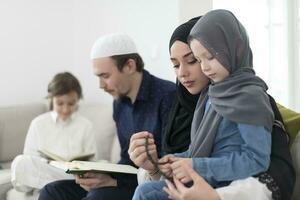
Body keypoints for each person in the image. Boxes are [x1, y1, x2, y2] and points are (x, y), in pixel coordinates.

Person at [132, 9, 283, 200]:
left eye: (205, 58)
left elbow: (256, 160)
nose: (204, 67)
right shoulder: (211, 94)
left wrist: (194, 166)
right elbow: (199, 148)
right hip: (205, 175)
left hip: (223, 183)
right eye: (199, 59)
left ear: (233, 49)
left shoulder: (250, 97)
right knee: (145, 191)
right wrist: (173, 161)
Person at [38, 33, 176, 200]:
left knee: (97, 197)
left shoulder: (168, 96)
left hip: (151, 185)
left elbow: (170, 164)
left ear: (129, 66)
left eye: (105, 76)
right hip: (125, 181)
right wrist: (103, 176)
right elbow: (126, 159)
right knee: (52, 191)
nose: (101, 85)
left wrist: (114, 182)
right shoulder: (119, 103)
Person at [11, 72, 97, 194]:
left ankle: (49, 183)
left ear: (78, 100)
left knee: (99, 167)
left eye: (71, 104)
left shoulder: (86, 125)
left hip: (74, 177)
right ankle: (49, 183)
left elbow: (92, 160)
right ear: (51, 99)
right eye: (60, 103)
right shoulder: (38, 123)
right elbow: (30, 157)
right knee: (21, 162)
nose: (66, 109)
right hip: (47, 171)